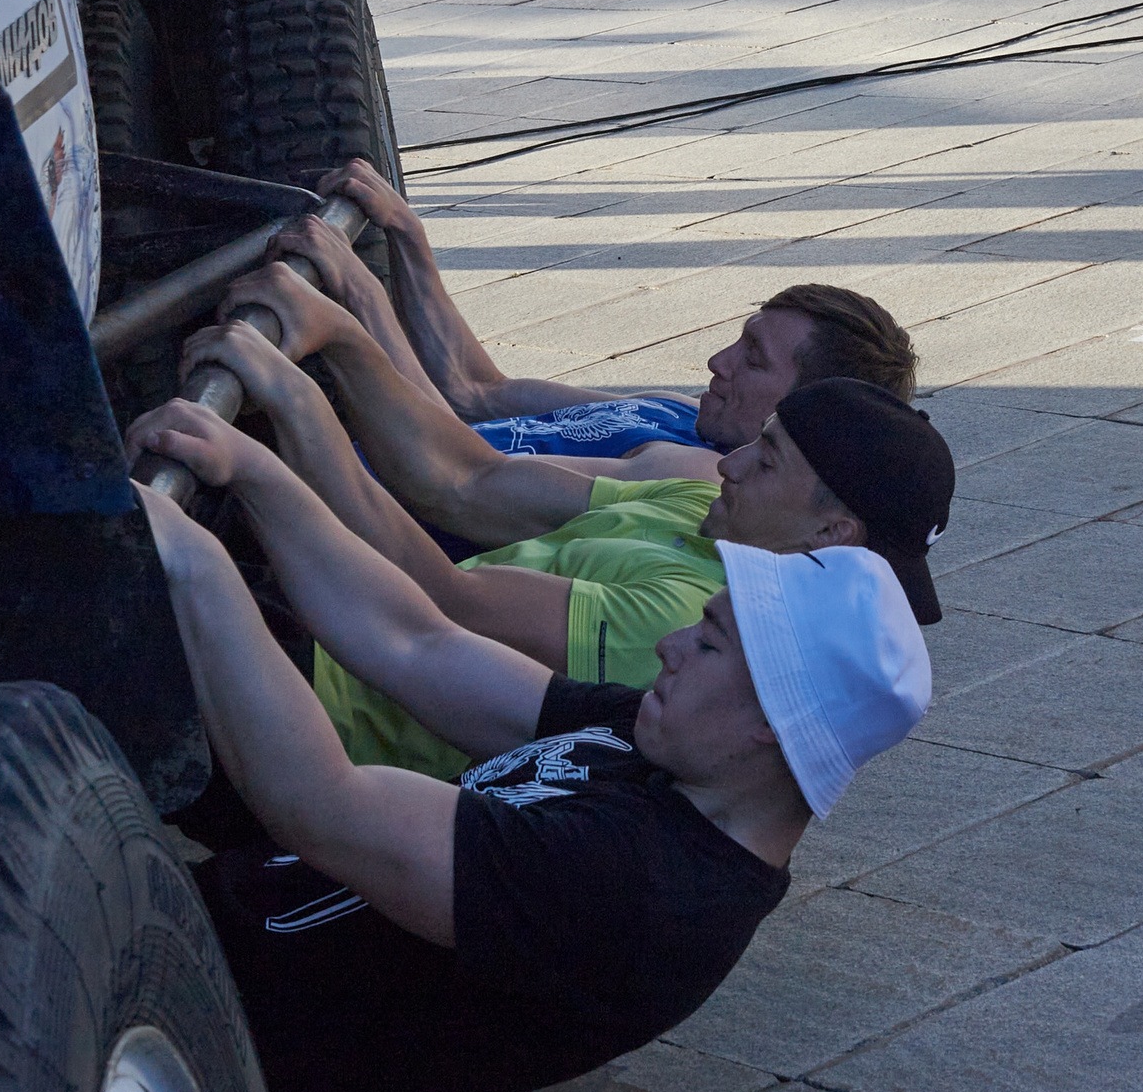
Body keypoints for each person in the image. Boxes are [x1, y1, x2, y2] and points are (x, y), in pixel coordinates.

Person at [128, 395, 931, 1092]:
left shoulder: (644, 891)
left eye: (710, 643)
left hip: (164, 1060)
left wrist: (194, 563)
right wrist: (257, 472)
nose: (671, 644)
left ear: (771, 725)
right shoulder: (664, 749)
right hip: (168, 940)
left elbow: (320, 804)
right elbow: (419, 642)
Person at [171, 323, 953, 777]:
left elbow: (439, 609)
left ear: (830, 533)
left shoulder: (689, 619)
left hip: (312, 703)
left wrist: (289, 410)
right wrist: (339, 325)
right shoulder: (708, 504)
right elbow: (468, 482)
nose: (729, 462)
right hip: (329, 620)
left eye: (768, 459)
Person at [225, 214, 922, 551]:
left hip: (321, 511)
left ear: (806, 409)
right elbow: (476, 392)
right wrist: (405, 234)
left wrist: (355, 301)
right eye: (740, 338)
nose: (719, 361)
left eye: (754, 359)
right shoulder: (682, 414)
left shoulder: (695, 469)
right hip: (340, 465)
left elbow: (458, 479)